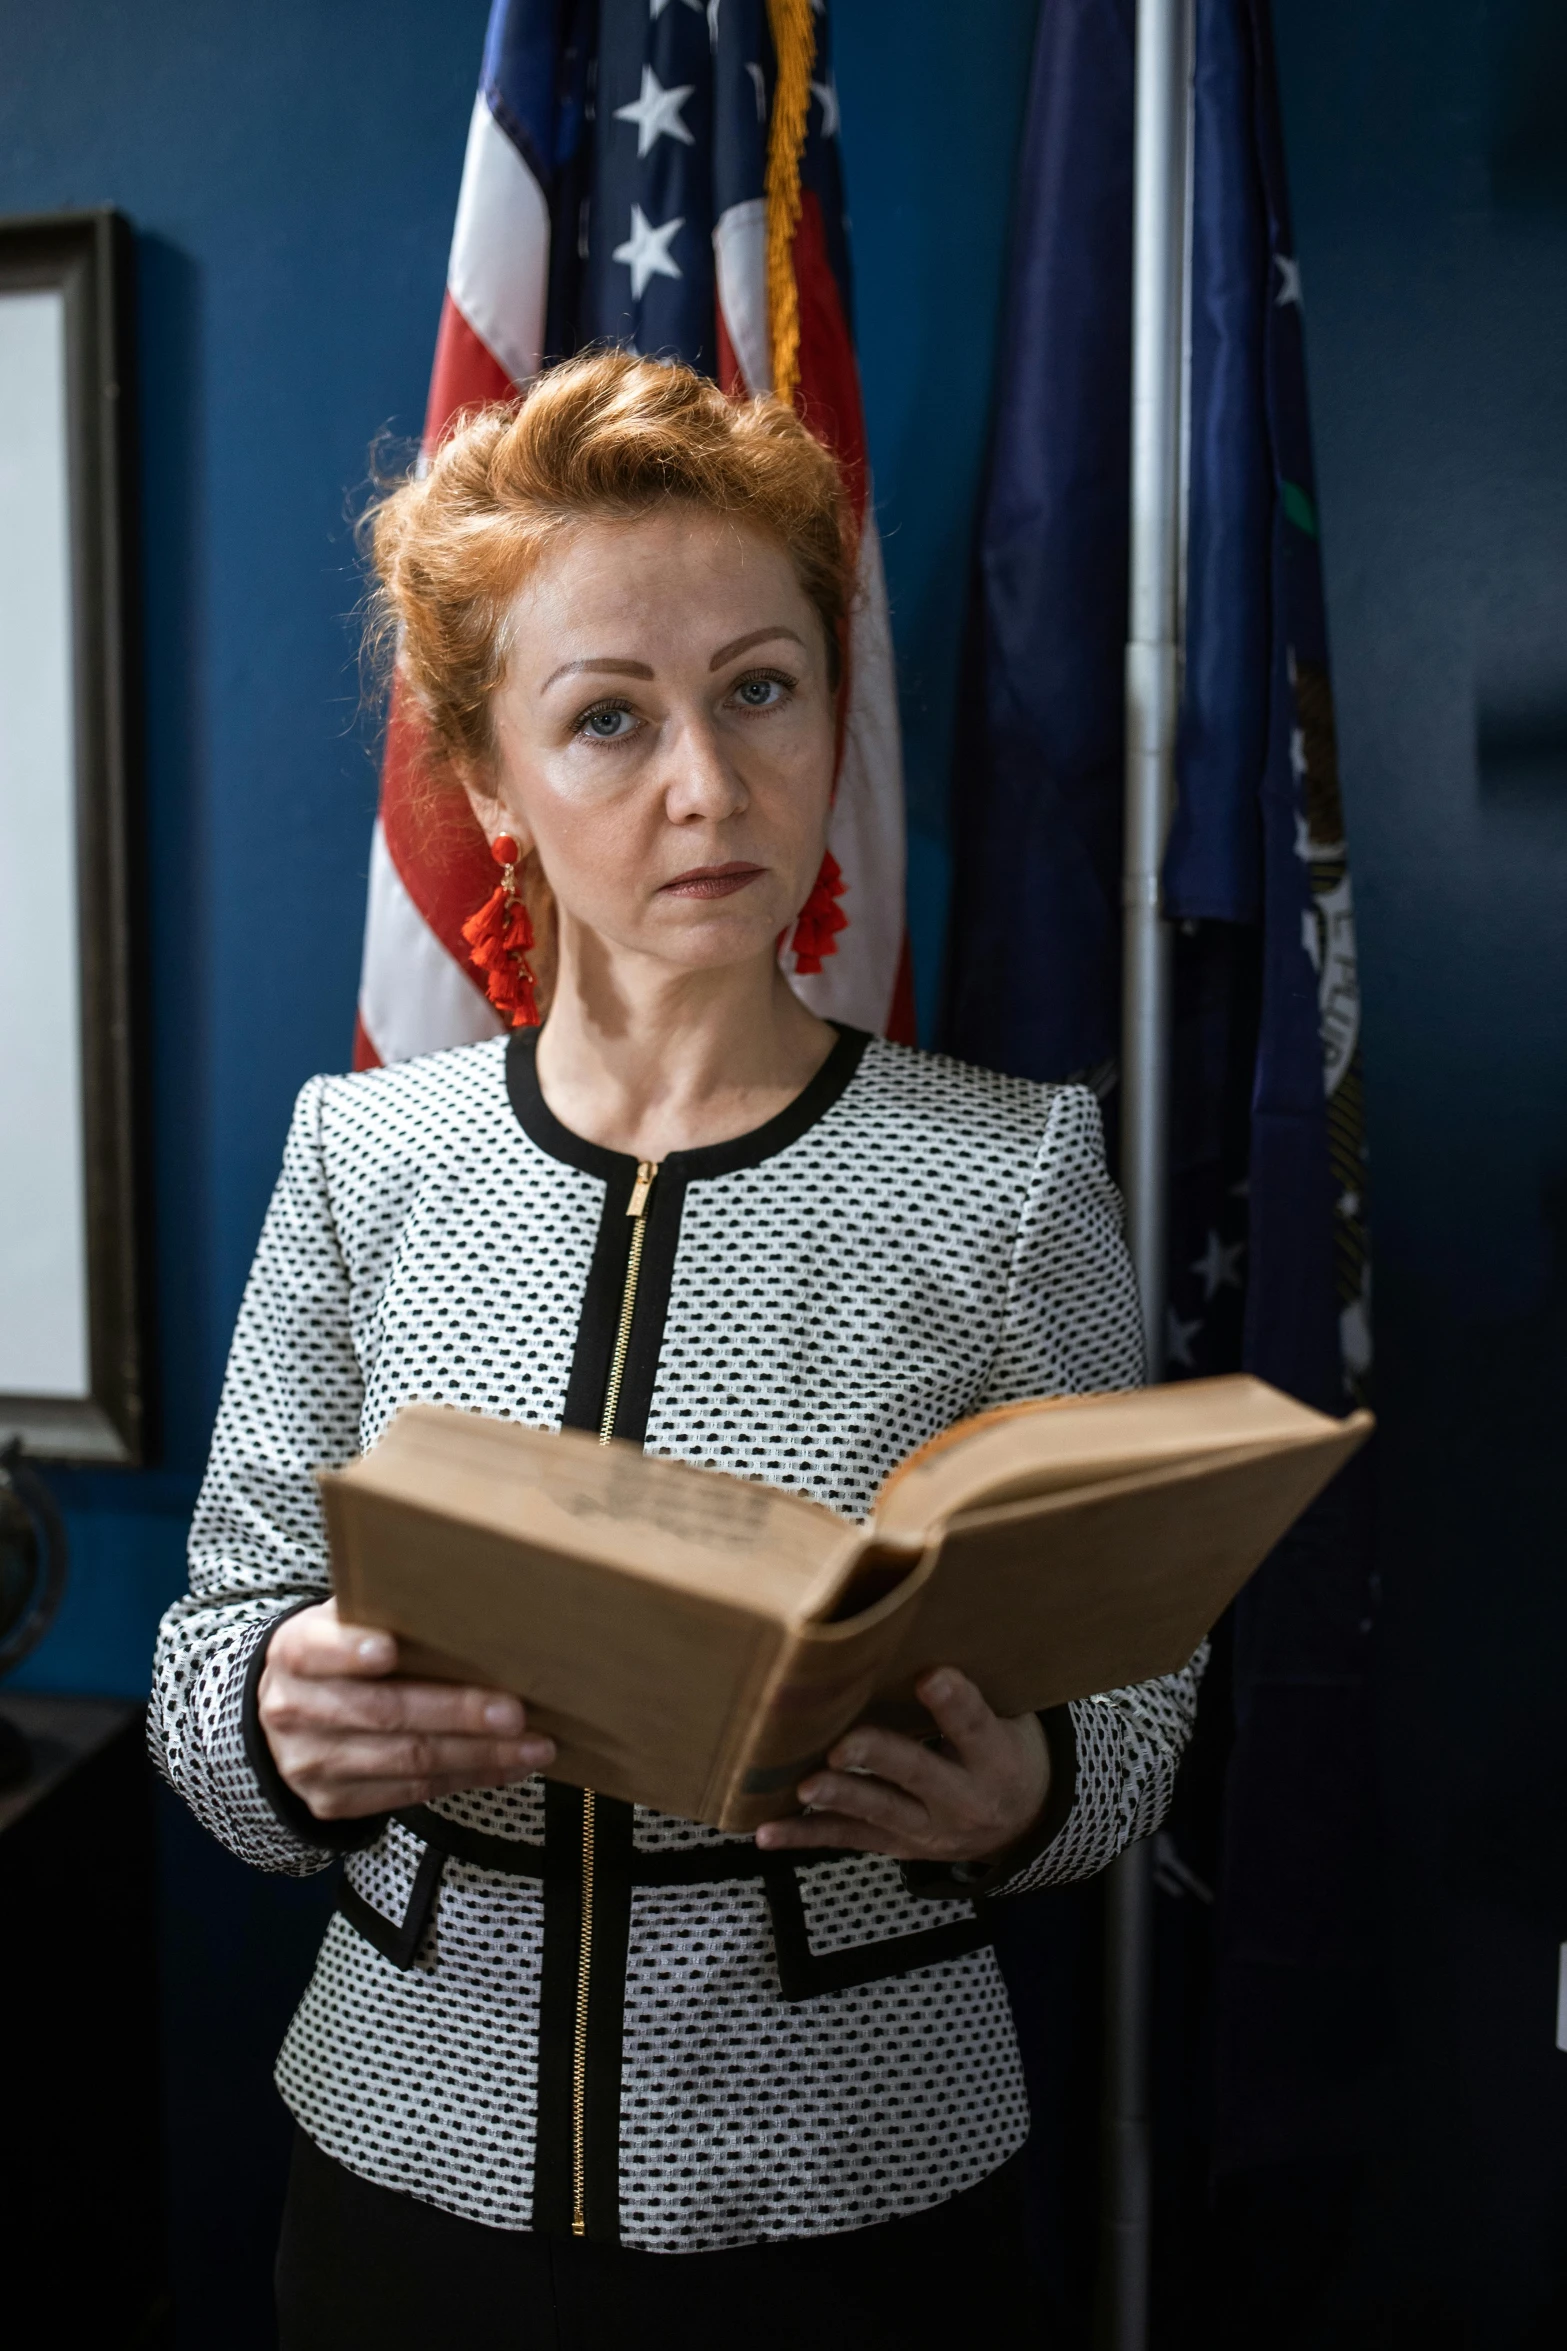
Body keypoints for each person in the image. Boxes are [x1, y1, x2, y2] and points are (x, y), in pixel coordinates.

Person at [150, 351, 1203, 2350]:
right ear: (488, 783)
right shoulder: (361, 1156)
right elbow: (213, 1658)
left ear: (832, 702)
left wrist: (1025, 1786)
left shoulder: (1009, 1171)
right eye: (609, 718)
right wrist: (281, 1722)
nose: (707, 787)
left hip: (861, 2185)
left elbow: (1141, 1692)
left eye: (760, 687)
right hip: (401, 2177)